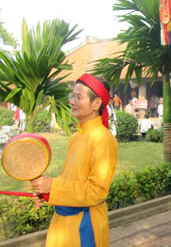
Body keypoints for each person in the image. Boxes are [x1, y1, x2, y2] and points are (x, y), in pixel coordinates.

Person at [30, 73, 118, 247]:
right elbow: (71, 180)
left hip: (85, 227)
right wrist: (46, 192)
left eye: (79, 97)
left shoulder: (103, 139)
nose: (72, 101)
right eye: (73, 96)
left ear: (96, 103)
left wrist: (53, 187)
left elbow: (97, 191)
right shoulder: (77, 137)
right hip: (63, 224)